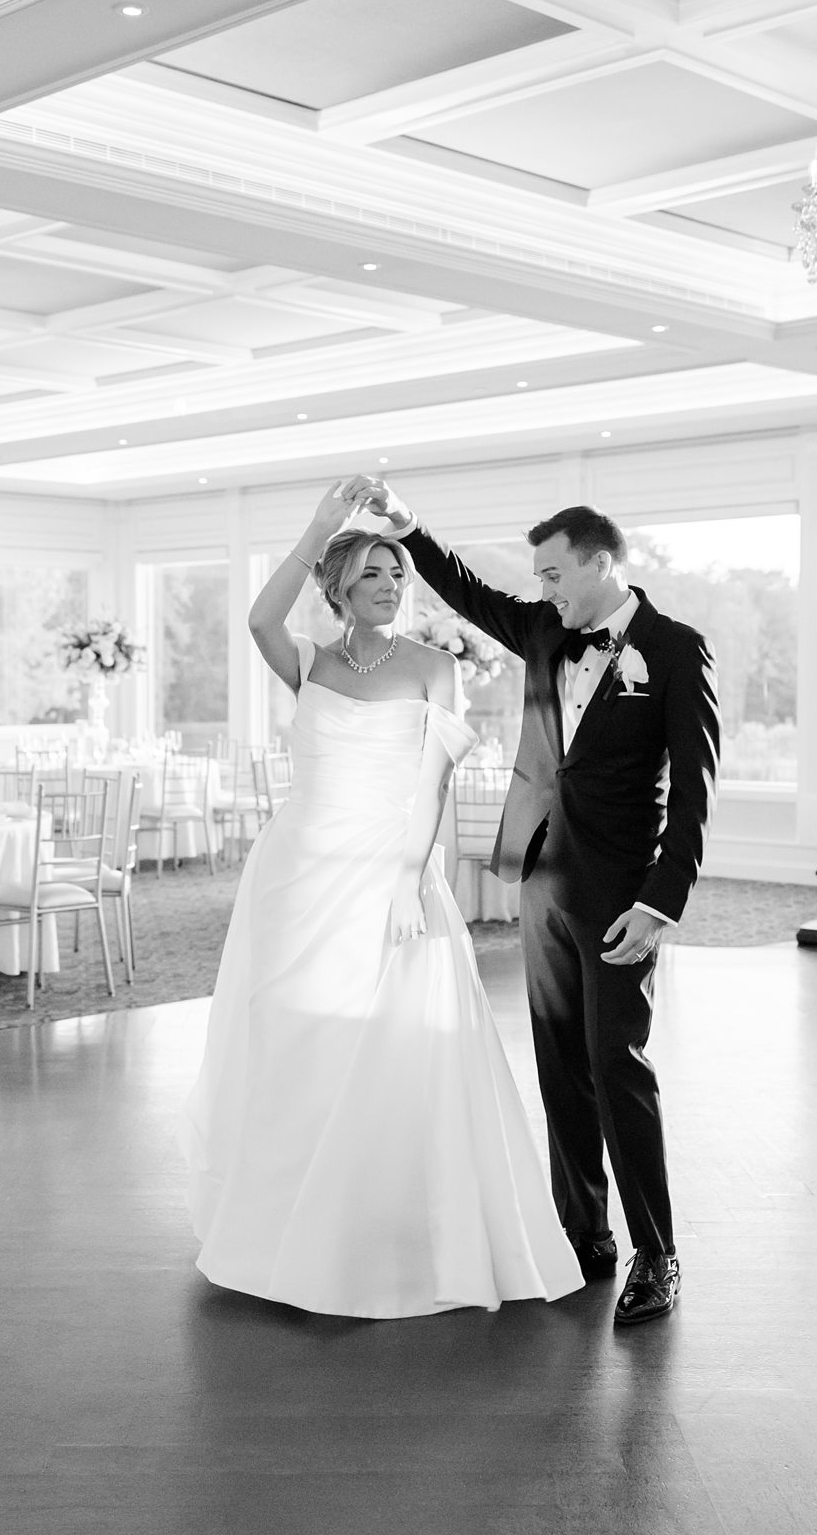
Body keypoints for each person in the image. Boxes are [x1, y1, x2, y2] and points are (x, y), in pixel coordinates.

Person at [178, 481, 583, 1320]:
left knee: (394, 1044)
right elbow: (259, 620)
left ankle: (388, 1231)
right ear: (338, 591)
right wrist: (322, 527)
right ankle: (289, 1223)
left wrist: (407, 880)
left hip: (388, 874)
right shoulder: (312, 663)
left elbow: (430, 788)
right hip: (296, 874)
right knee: (296, 1041)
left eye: (397, 574)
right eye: (371, 576)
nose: (391, 587)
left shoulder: (438, 669)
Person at [347, 476, 719, 1327]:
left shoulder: (672, 649)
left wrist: (661, 904)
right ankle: (584, 1233)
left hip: (622, 893)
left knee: (616, 1061)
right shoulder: (548, 631)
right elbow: (470, 594)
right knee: (560, 1064)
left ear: (600, 564)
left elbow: (695, 792)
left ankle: (658, 1255)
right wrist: (408, 527)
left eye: (553, 573)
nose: (542, 589)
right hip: (545, 877)